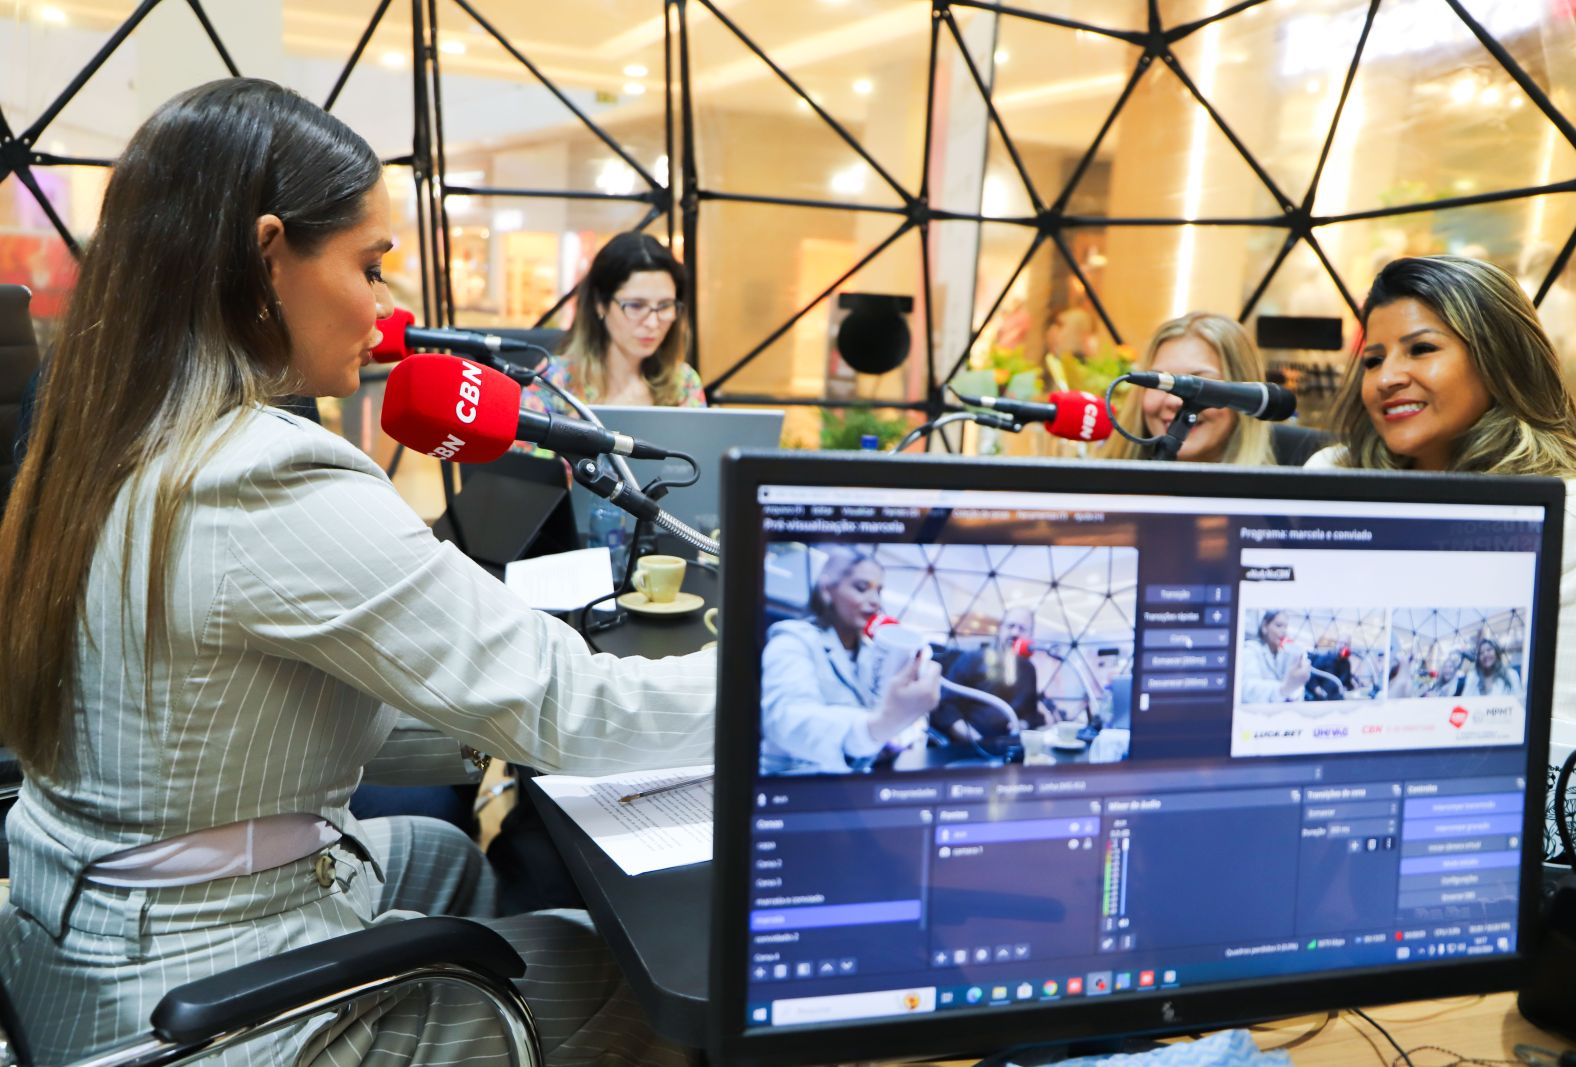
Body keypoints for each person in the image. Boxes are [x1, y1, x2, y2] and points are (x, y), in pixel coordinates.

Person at [0, 79, 714, 1066]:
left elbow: (243, 704)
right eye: (369, 266)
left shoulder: (100, 439)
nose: (384, 308)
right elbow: (571, 705)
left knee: (445, 854)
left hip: (74, 941)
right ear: (266, 259)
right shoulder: (263, 472)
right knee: (632, 982)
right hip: (193, 1006)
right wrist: (780, 686)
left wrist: (479, 720)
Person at [1304, 255, 1576, 734]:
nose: (1386, 378)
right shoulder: (1332, 476)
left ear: (1498, 358)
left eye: (1421, 349)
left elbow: (1570, 751)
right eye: (1373, 360)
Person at [759, 549, 941, 774]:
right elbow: (787, 721)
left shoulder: (870, 651)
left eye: (879, 591)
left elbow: (879, 711)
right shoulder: (792, 640)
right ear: (827, 589)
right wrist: (880, 725)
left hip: (856, 778)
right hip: (795, 780)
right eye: (862, 588)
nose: (875, 601)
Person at [526, 231, 704, 410]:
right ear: (600, 304)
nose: (652, 323)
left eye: (665, 306)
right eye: (636, 306)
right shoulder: (555, 379)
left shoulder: (683, 383)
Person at [1103, 311, 1275, 465]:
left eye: (1200, 383)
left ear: (1247, 398)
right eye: (1160, 383)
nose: (1174, 401)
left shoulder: (1276, 490)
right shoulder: (1105, 485)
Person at [930, 607, 1043, 742]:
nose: (1015, 633)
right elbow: (945, 708)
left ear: (1030, 636)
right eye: (1011, 626)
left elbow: (1031, 713)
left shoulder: (1029, 669)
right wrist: (977, 740)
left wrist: (1023, 724)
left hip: (1012, 745)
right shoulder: (972, 659)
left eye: (1022, 629)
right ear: (1001, 629)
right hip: (970, 744)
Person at [1240, 610, 1311, 704]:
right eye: (1279, 625)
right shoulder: (1250, 650)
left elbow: (1296, 691)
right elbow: (1248, 689)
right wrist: (1284, 689)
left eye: (1286, 627)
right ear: (1265, 627)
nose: (1284, 631)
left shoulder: (1286, 654)